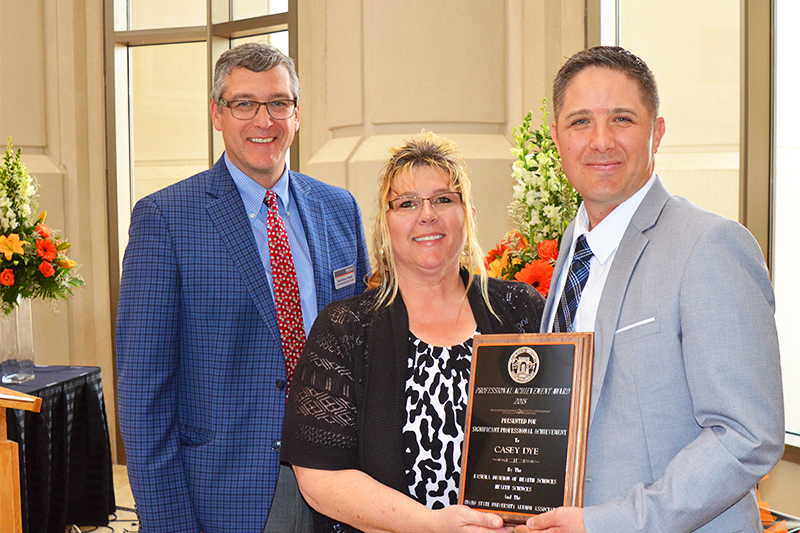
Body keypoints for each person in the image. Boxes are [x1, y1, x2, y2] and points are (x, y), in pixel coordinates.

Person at [516, 46, 784, 533]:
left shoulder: (710, 245)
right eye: (580, 122)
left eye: (622, 119)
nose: (601, 141)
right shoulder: (572, 253)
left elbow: (747, 435)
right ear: (556, 138)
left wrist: (607, 523)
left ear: (656, 133)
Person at [116, 42, 370, 533]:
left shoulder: (341, 210)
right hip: (226, 496)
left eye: (278, 103)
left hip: (342, 485)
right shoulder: (166, 220)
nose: (264, 120)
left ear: (296, 115)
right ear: (217, 113)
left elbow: (364, 352)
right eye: (244, 104)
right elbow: (144, 397)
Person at [280, 132, 546, 533]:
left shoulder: (519, 309)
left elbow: (561, 434)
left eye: (443, 199)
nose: (427, 214)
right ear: (385, 228)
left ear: (468, 214)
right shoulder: (345, 330)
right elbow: (320, 478)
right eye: (406, 203)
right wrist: (430, 525)